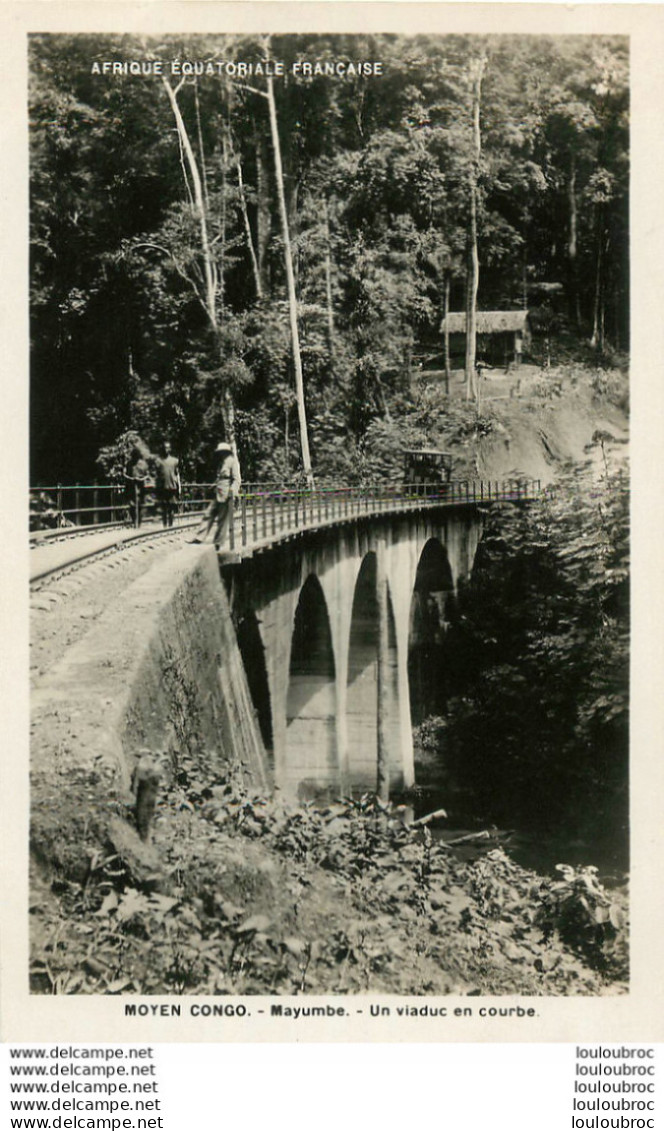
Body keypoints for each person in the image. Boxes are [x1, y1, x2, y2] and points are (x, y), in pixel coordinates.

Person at [188, 442, 241, 545]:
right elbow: (221, 478)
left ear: (226, 452)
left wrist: (232, 492)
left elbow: (237, 480)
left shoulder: (233, 462)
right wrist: (214, 485)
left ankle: (218, 542)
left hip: (227, 494)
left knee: (222, 519)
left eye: (222, 452)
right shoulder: (222, 463)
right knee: (208, 514)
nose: (220, 454)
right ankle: (199, 537)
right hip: (218, 493)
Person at [154, 440, 181, 528]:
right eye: (165, 447)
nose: (166, 449)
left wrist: (179, 486)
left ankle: (171, 525)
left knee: (172, 506)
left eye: (168, 447)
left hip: (172, 487)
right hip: (163, 488)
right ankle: (165, 525)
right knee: (164, 507)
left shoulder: (175, 461)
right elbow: (157, 475)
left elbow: (177, 474)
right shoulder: (159, 461)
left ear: (170, 449)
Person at [124, 448, 151, 528]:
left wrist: (141, 479)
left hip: (140, 487)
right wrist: (130, 479)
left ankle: (138, 522)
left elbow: (147, 475)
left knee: (140, 505)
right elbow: (125, 474)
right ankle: (134, 521)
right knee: (131, 505)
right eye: (133, 456)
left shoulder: (143, 464)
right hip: (131, 487)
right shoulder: (129, 464)